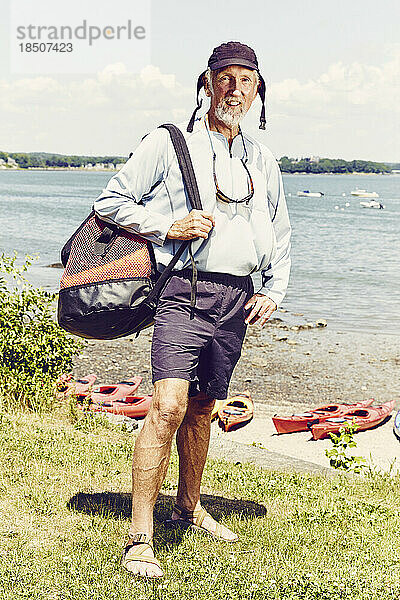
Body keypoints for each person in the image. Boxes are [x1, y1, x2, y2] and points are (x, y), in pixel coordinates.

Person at [94, 41, 291, 578]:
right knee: (169, 405)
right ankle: (140, 537)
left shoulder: (262, 158)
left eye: (245, 80)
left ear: (257, 92)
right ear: (206, 83)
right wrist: (166, 227)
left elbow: (277, 228)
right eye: (223, 78)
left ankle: (187, 506)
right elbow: (111, 200)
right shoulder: (169, 141)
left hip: (237, 299)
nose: (234, 88)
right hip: (184, 287)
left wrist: (273, 288)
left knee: (203, 408)